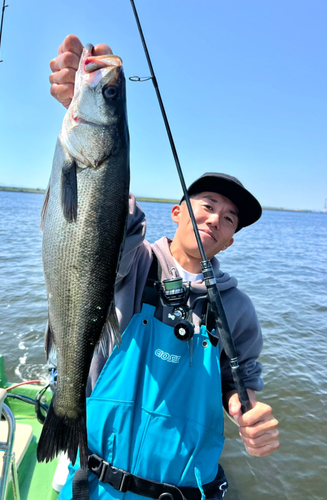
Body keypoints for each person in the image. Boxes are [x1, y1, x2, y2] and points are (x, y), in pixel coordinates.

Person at [49, 35, 280, 500]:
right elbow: (105, 220)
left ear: (232, 240)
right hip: (95, 482)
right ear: (177, 212)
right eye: (207, 204)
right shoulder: (136, 263)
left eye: (230, 218)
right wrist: (76, 101)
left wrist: (249, 413)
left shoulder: (237, 310)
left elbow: (242, 381)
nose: (216, 218)